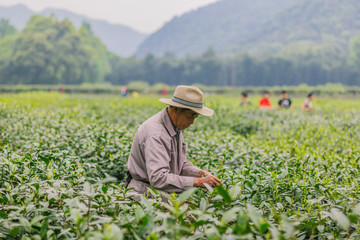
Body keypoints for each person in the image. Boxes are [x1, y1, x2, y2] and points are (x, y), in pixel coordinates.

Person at [125, 85, 223, 197]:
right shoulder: (156, 134)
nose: (192, 122)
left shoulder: (175, 127)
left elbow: (180, 164)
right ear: (177, 110)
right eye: (190, 116)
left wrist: (199, 173)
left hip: (161, 194)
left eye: (195, 117)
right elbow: (158, 178)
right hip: (145, 196)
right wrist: (197, 182)